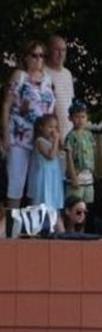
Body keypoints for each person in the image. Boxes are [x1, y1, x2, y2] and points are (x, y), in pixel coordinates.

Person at [1, 40, 56, 208]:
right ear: (26, 57)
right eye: (34, 55)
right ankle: (12, 229)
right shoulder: (20, 76)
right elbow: (6, 105)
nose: (38, 59)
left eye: (42, 55)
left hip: (40, 139)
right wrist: (5, 135)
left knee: (37, 185)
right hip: (19, 136)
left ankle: (33, 229)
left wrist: (54, 136)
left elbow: (52, 111)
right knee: (16, 183)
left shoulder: (48, 79)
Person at [28, 114, 65, 221]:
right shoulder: (39, 141)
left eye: (55, 127)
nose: (53, 130)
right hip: (44, 178)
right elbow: (50, 156)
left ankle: (56, 229)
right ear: (41, 127)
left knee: (53, 206)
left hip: (53, 178)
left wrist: (56, 142)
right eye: (50, 127)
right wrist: (56, 140)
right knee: (41, 204)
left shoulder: (52, 142)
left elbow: (58, 155)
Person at [64, 100, 96, 206]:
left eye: (83, 117)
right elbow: (69, 158)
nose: (80, 120)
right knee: (75, 206)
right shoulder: (71, 136)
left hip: (88, 177)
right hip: (77, 177)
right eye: (77, 117)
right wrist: (73, 177)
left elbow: (93, 153)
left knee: (86, 207)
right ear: (70, 118)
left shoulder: (89, 135)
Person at [43, 35, 74, 139]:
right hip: (51, 134)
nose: (61, 54)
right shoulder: (43, 73)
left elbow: (70, 103)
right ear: (48, 51)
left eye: (63, 50)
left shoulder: (67, 74)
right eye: (57, 50)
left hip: (69, 131)